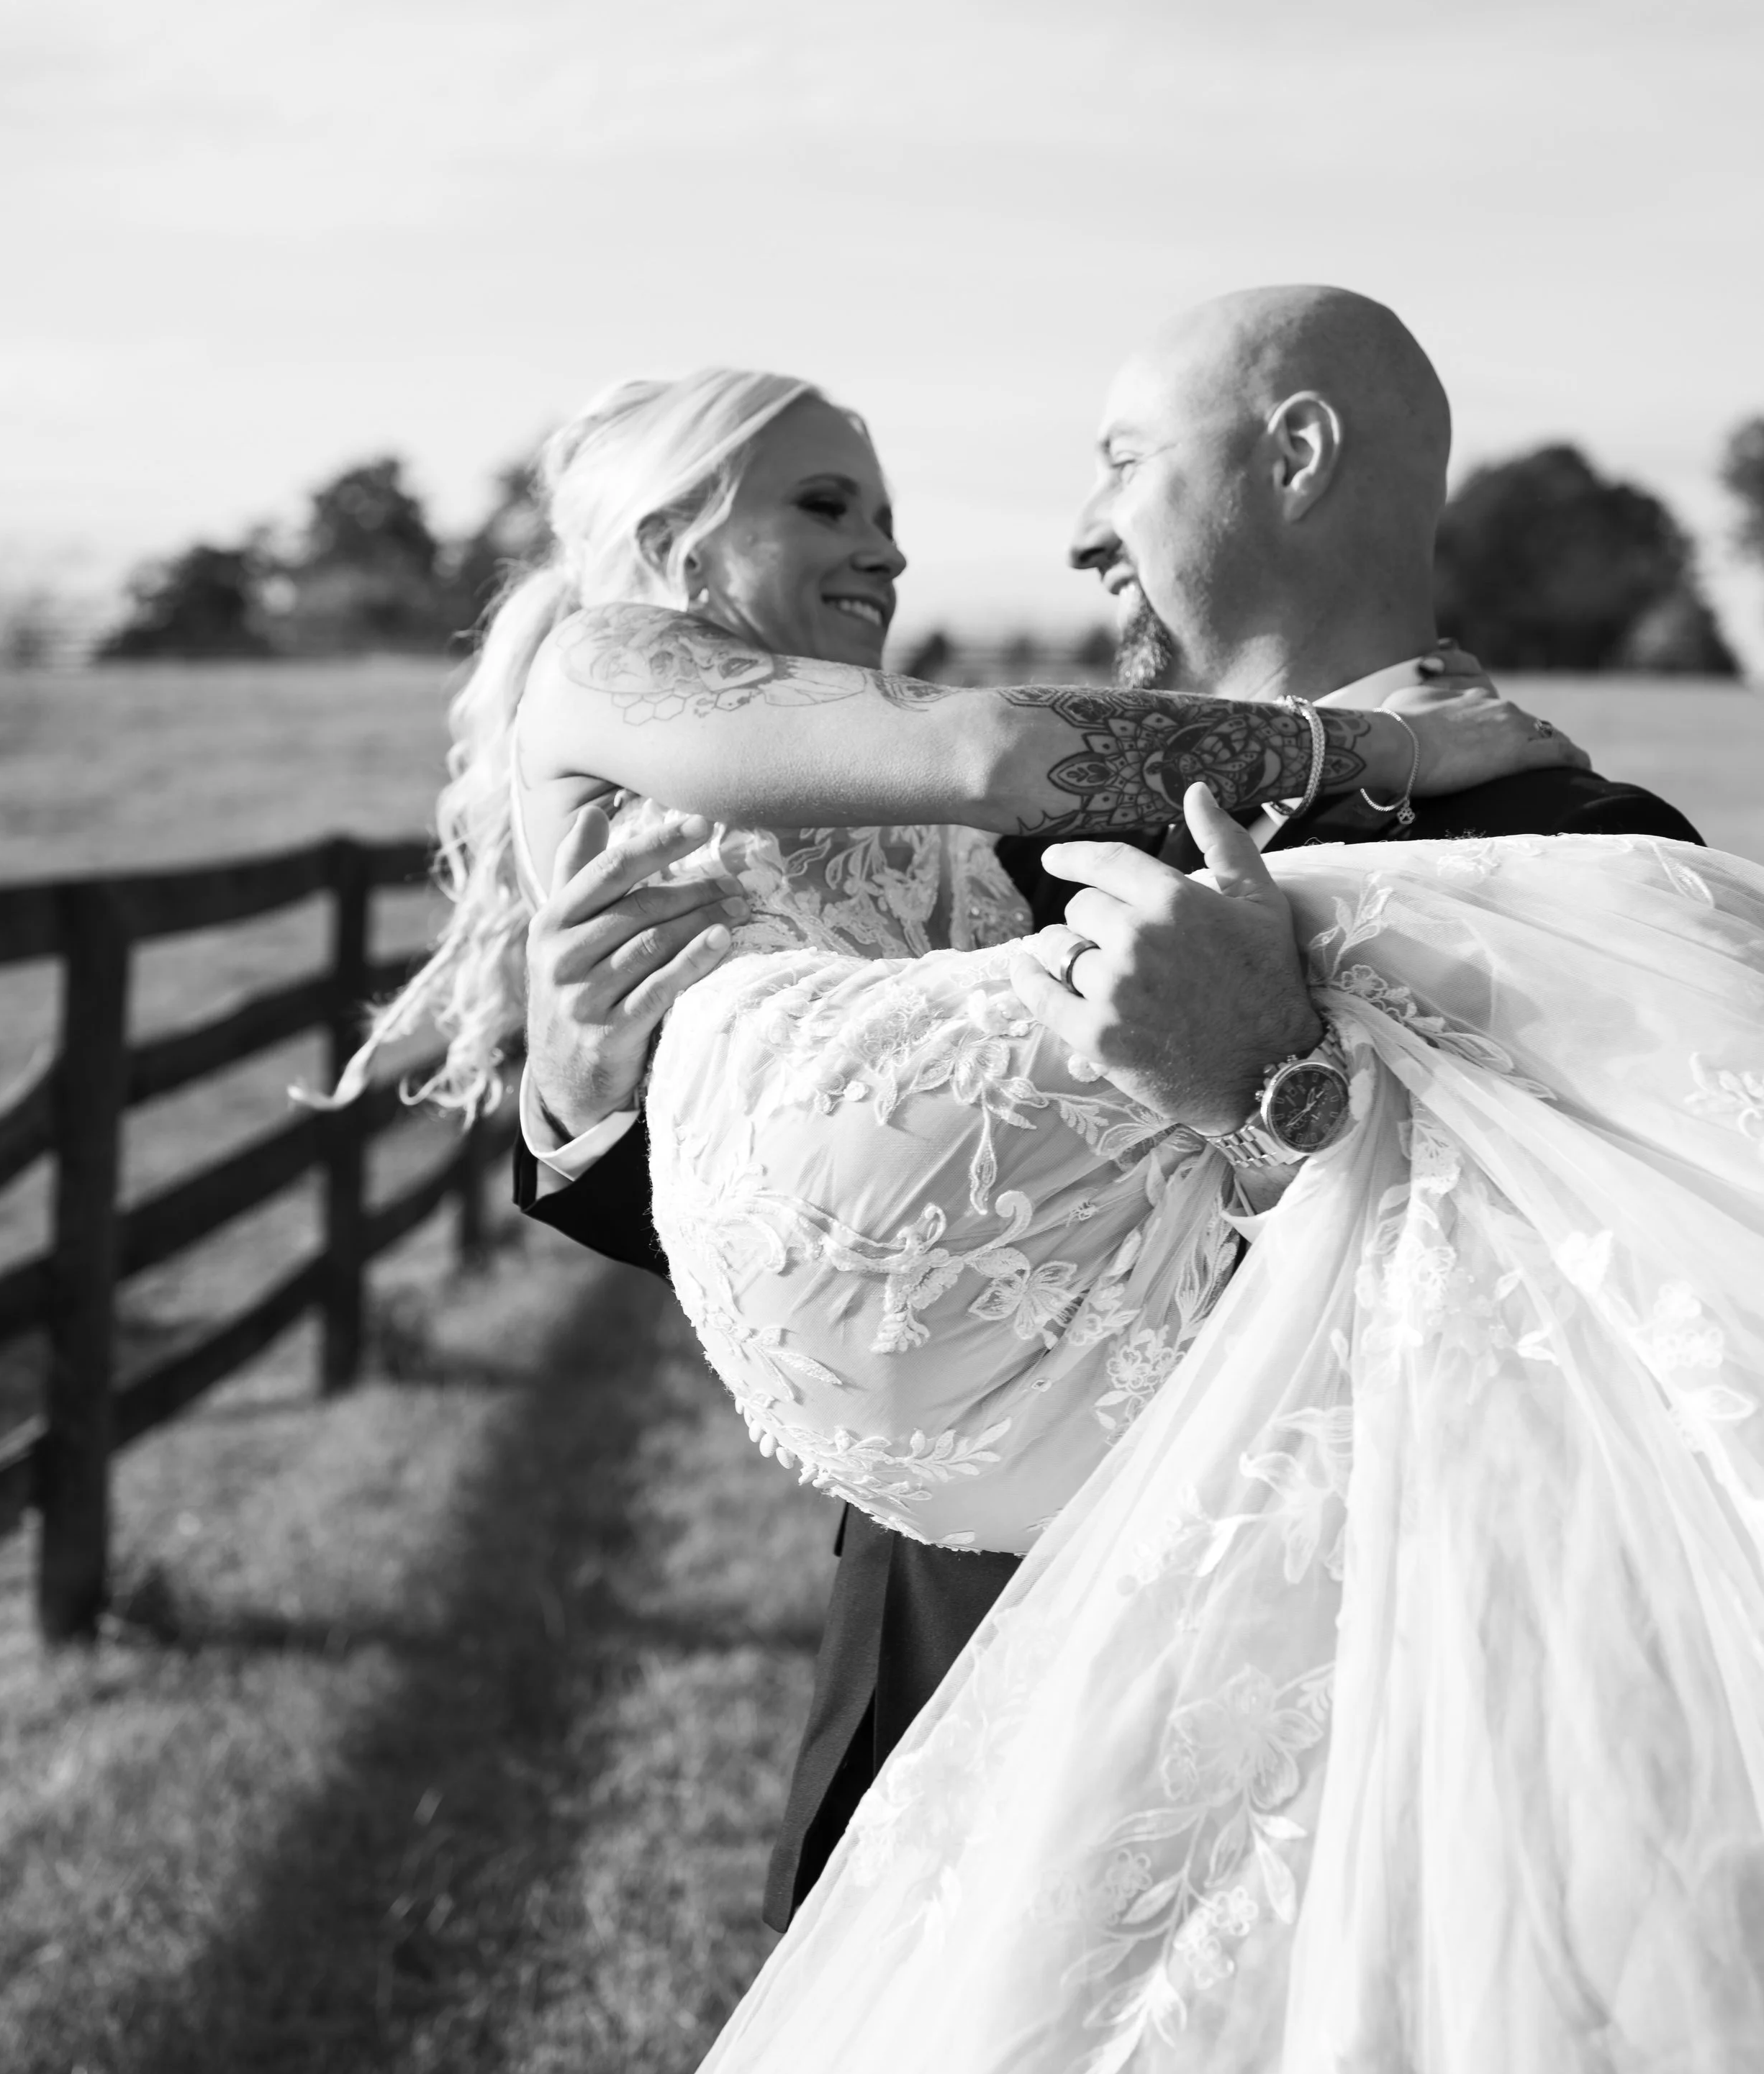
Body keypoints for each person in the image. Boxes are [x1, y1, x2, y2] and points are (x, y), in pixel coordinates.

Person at [517, 289, 1699, 1931]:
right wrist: (586, 1105)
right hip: (931, 1688)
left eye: (1123, 463)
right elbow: (887, 1209)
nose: (1079, 534)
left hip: (1316, 1775)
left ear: (1292, 456)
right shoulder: (1016, 837)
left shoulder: (1572, 844)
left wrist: (1277, 1104)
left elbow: (1619, 1368)